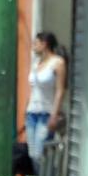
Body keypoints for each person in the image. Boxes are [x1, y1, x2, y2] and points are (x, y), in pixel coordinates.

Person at [25, 31, 66, 164]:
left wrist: (54, 115)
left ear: (44, 44)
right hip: (32, 112)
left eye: (36, 43)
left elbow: (60, 90)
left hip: (46, 113)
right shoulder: (36, 63)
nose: (33, 46)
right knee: (32, 153)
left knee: (40, 153)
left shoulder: (57, 62)